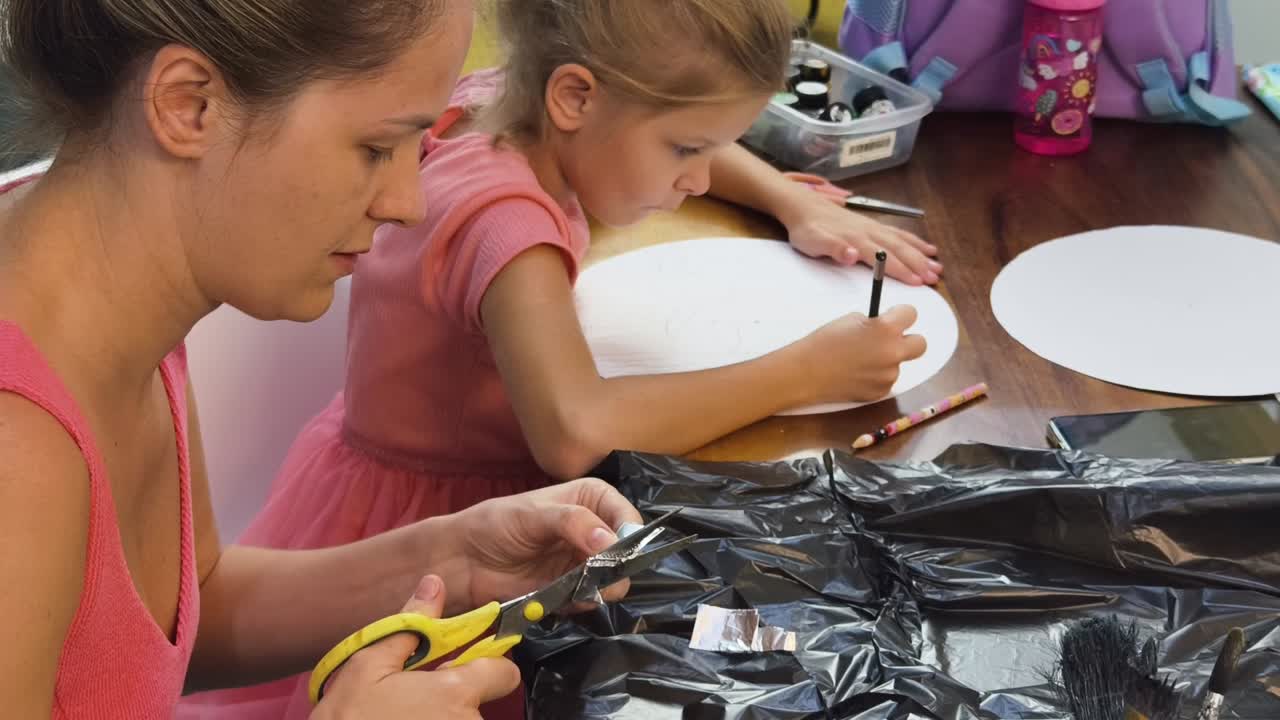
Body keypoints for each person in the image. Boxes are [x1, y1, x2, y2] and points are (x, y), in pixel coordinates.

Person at [198, 0, 940, 716]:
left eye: (713, 147)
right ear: (575, 98)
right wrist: (808, 370)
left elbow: (682, 118)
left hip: (442, 489)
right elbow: (575, 433)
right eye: (686, 151)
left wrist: (791, 199)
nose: (702, 180)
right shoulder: (505, 218)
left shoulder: (505, 103)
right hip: (444, 535)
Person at [0, 0, 643, 717]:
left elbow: (177, 618)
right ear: (189, 105)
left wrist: (454, 560)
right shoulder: (17, 448)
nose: (407, 201)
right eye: (376, 148)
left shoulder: (103, 278)